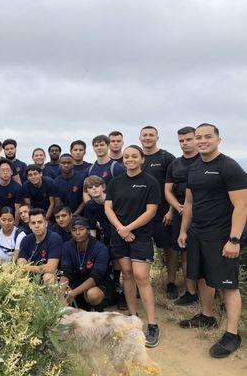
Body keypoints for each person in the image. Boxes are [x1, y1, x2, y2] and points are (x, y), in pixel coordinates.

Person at [178, 123, 247, 358]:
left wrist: (234, 239)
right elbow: (189, 203)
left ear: (218, 139)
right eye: (199, 137)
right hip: (197, 233)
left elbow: (242, 205)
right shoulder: (194, 167)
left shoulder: (229, 166)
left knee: (228, 285)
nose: (202, 140)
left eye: (208, 136)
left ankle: (232, 334)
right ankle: (207, 317)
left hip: (222, 236)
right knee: (202, 277)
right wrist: (183, 230)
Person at [105, 145, 161, 348]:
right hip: (119, 234)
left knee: (141, 277)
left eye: (134, 156)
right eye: (126, 156)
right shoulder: (115, 182)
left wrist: (129, 228)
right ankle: (133, 318)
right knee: (126, 274)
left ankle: (152, 324)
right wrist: (121, 229)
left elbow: (151, 211)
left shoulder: (150, 182)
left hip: (141, 235)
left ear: (142, 159)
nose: (129, 159)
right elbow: (108, 207)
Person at [139, 126, 177, 298]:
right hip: (141, 215)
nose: (147, 138)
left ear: (157, 137)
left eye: (151, 135)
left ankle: (171, 283)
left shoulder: (166, 157)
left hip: (163, 214)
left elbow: (174, 187)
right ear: (140, 138)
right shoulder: (136, 157)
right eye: (144, 135)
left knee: (169, 248)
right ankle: (142, 284)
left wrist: (171, 210)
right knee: (141, 250)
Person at [164, 126, 200, 306]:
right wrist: (176, 207)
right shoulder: (175, 164)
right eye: (181, 141)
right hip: (179, 211)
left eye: (188, 139)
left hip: (203, 212)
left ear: (196, 139)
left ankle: (209, 290)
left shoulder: (204, 160)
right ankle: (190, 291)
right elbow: (168, 191)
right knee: (184, 252)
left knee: (203, 252)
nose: (185, 143)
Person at [60, 216, 114, 312]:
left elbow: (95, 278)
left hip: (98, 285)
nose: (77, 233)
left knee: (92, 294)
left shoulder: (100, 248)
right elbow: (66, 272)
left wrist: (73, 293)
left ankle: (99, 313)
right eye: (74, 230)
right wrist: (61, 289)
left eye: (81, 229)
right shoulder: (67, 246)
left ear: (88, 230)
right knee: (61, 289)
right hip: (76, 284)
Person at [83, 175, 122, 308]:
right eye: (90, 187)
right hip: (105, 237)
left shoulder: (114, 200)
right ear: (87, 191)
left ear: (103, 187)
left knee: (119, 261)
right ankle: (110, 288)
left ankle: (118, 285)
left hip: (121, 234)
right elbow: (92, 227)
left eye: (96, 186)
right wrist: (93, 246)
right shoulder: (90, 205)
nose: (94, 189)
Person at [17, 208, 62, 283]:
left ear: (46, 223)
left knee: (48, 277)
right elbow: (21, 263)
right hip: (30, 275)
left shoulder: (54, 238)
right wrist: (23, 266)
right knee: (19, 273)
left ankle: (50, 295)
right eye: (33, 223)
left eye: (40, 222)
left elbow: (51, 268)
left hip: (49, 275)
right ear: (30, 226)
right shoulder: (26, 239)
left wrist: (27, 267)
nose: (37, 226)